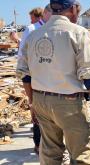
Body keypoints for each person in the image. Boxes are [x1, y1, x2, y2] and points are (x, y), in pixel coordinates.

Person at [16, 0, 90, 164]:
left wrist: (32, 101)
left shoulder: (34, 35)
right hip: (69, 102)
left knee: (51, 154)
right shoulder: (78, 32)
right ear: (72, 8)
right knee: (81, 155)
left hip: (41, 100)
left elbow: (25, 74)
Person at [12, 5, 52, 154]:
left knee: (40, 108)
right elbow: (24, 52)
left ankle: (43, 144)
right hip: (42, 75)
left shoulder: (39, 28)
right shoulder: (39, 29)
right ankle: (41, 143)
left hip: (42, 74)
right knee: (40, 107)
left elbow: (22, 52)